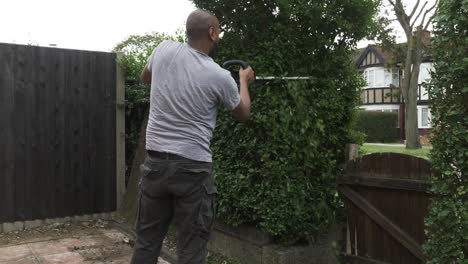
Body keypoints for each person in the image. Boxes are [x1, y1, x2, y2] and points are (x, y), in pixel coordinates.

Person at [130, 8, 255, 264]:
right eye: (218, 31)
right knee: (191, 252)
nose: (218, 35)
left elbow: (145, 78)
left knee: (146, 244)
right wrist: (243, 81)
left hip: (154, 165)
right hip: (193, 170)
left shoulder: (164, 49)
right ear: (211, 32)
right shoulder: (220, 76)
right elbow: (243, 113)